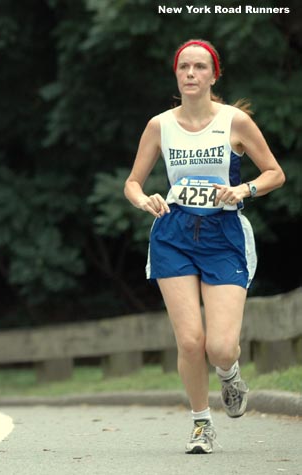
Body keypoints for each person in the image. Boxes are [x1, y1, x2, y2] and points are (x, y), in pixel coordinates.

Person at [124, 39, 285, 454]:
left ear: (214, 75)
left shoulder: (234, 122)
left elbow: (274, 174)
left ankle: (229, 373)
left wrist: (243, 189)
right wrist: (145, 200)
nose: (191, 74)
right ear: (176, 75)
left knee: (219, 347)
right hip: (173, 234)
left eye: (199, 67)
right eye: (184, 68)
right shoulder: (159, 125)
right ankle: (201, 423)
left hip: (223, 235)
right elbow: (132, 183)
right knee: (191, 341)